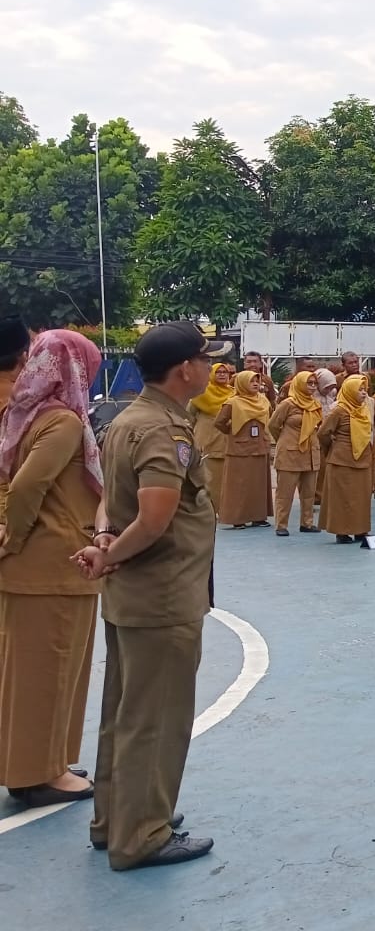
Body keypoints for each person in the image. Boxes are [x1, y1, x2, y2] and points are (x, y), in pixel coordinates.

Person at [74, 321, 230, 870]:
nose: (211, 369)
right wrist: (111, 552)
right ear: (184, 369)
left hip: (133, 596)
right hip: (163, 595)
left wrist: (102, 542)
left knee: (125, 712)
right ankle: (141, 834)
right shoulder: (165, 430)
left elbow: (109, 503)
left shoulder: (126, 419)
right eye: (205, 361)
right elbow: (155, 517)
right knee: (156, 717)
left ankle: (115, 818)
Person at [0, 330, 103, 809]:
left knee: (32, 672)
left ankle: (42, 761)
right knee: (51, 670)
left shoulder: (19, 414)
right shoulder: (60, 421)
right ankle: (40, 775)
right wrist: (14, 536)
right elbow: (25, 488)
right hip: (53, 561)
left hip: (36, 566)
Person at [316, 376, 374, 544]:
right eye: (360, 389)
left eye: (365, 389)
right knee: (342, 497)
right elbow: (323, 433)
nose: (364, 393)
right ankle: (342, 532)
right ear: (349, 391)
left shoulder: (363, 409)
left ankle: (360, 530)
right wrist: (333, 447)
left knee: (361, 497)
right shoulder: (339, 410)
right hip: (342, 460)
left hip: (362, 458)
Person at [214, 369, 273, 529]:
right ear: (241, 383)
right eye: (251, 381)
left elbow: (271, 419)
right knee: (238, 485)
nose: (255, 384)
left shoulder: (263, 401)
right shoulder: (233, 402)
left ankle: (258, 517)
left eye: (256, 381)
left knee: (259, 484)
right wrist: (233, 432)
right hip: (239, 449)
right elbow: (219, 422)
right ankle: (238, 518)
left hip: (260, 447)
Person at [267, 372, 322, 535]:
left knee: (309, 492)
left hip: (311, 453)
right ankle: (281, 525)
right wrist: (285, 440)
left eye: (314, 383)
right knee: (285, 492)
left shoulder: (315, 404)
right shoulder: (288, 404)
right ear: (299, 384)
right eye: (309, 383)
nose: (312, 386)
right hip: (290, 453)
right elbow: (273, 425)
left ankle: (307, 523)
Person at [188, 360, 235, 500]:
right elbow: (189, 415)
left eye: (224, 372)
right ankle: (209, 510)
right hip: (206, 440)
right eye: (218, 372)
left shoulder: (234, 393)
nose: (221, 375)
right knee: (209, 479)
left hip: (228, 441)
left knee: (227, 480)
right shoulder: (201, 394)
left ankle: (225, 511)